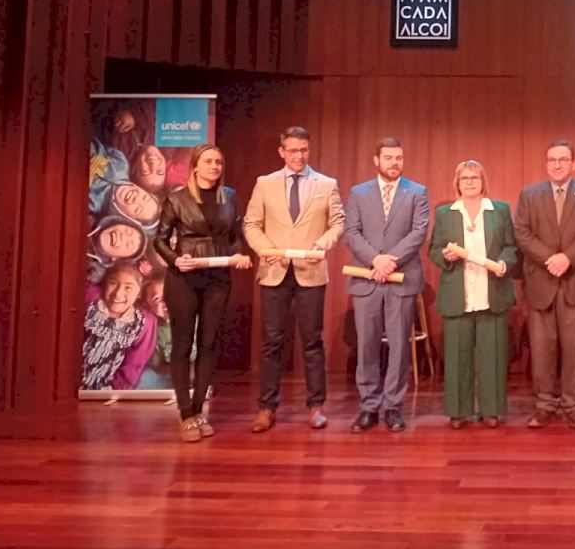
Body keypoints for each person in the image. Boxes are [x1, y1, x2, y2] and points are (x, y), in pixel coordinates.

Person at [243, 126, 345, 433]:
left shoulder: (326, 184)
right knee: (272, 341)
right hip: (274, 271)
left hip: (311, 272)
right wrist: (265, 249)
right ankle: (267, 407)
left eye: (303, 150)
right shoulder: (264, 183)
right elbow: (251, 224)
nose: (299, 155)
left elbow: (337, 223)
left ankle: (316, 406)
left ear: (309, 150)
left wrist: (320, 245)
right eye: (293, 150)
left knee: (312, 340)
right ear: (282, 152)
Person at [154, 143, 252, 443]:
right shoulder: (177, 198)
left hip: (217, 279)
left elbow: (234, 237)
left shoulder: (229, 196)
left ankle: (199, 411)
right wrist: (175, 260)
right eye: (208, 161)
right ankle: (185, 414)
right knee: (183, 345)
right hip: (183, 279)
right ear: (195, 165)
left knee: (209, 343)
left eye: (218, 162)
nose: (214, 167)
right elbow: (159, 240)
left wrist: (240, 254)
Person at [514, 139, 575, 429]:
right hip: (541, 282)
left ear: (573, 164)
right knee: (542, 351)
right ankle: (544, 404)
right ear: (546, 164)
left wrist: (567, 258)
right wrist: (550, 259)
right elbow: (522, 233)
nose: (557, 164)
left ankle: (572, 405)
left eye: (563, 159)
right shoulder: (530, 194)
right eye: (552, 159)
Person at [344, 137, 429, 433]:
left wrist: (389, 261)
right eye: (389, 157)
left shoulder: (417, 192)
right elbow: (351, 232)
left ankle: (393, 406)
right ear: (376, 160)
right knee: (366, 345)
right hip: (366, 278)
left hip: (401, 278)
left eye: (399, 158)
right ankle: (369, 407)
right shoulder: (358, 193)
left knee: (399, 346)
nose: (395, 162)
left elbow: (419, 232)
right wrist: (375, 260)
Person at [428, 160, 519, 429]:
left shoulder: (499, 210)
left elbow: (511, 247)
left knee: (492, 355)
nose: (469, 182)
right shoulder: (445, 213)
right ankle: (458, 412)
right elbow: (434, 249)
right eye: (464, 178)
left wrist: (503, 262)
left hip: (493, 292)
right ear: (457, 183)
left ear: (482, 182)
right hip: (458, 293)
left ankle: (491, 411)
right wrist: (444, 256)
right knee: (457, 356)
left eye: (474, 178)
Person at [81, 262, 157, 390]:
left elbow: (134, 366)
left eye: (128, 287)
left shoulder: (144, 323)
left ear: (139, 293)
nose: (118, 293)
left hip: (104, 390)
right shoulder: (91, 298)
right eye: (113, 283)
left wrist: (114, 391)